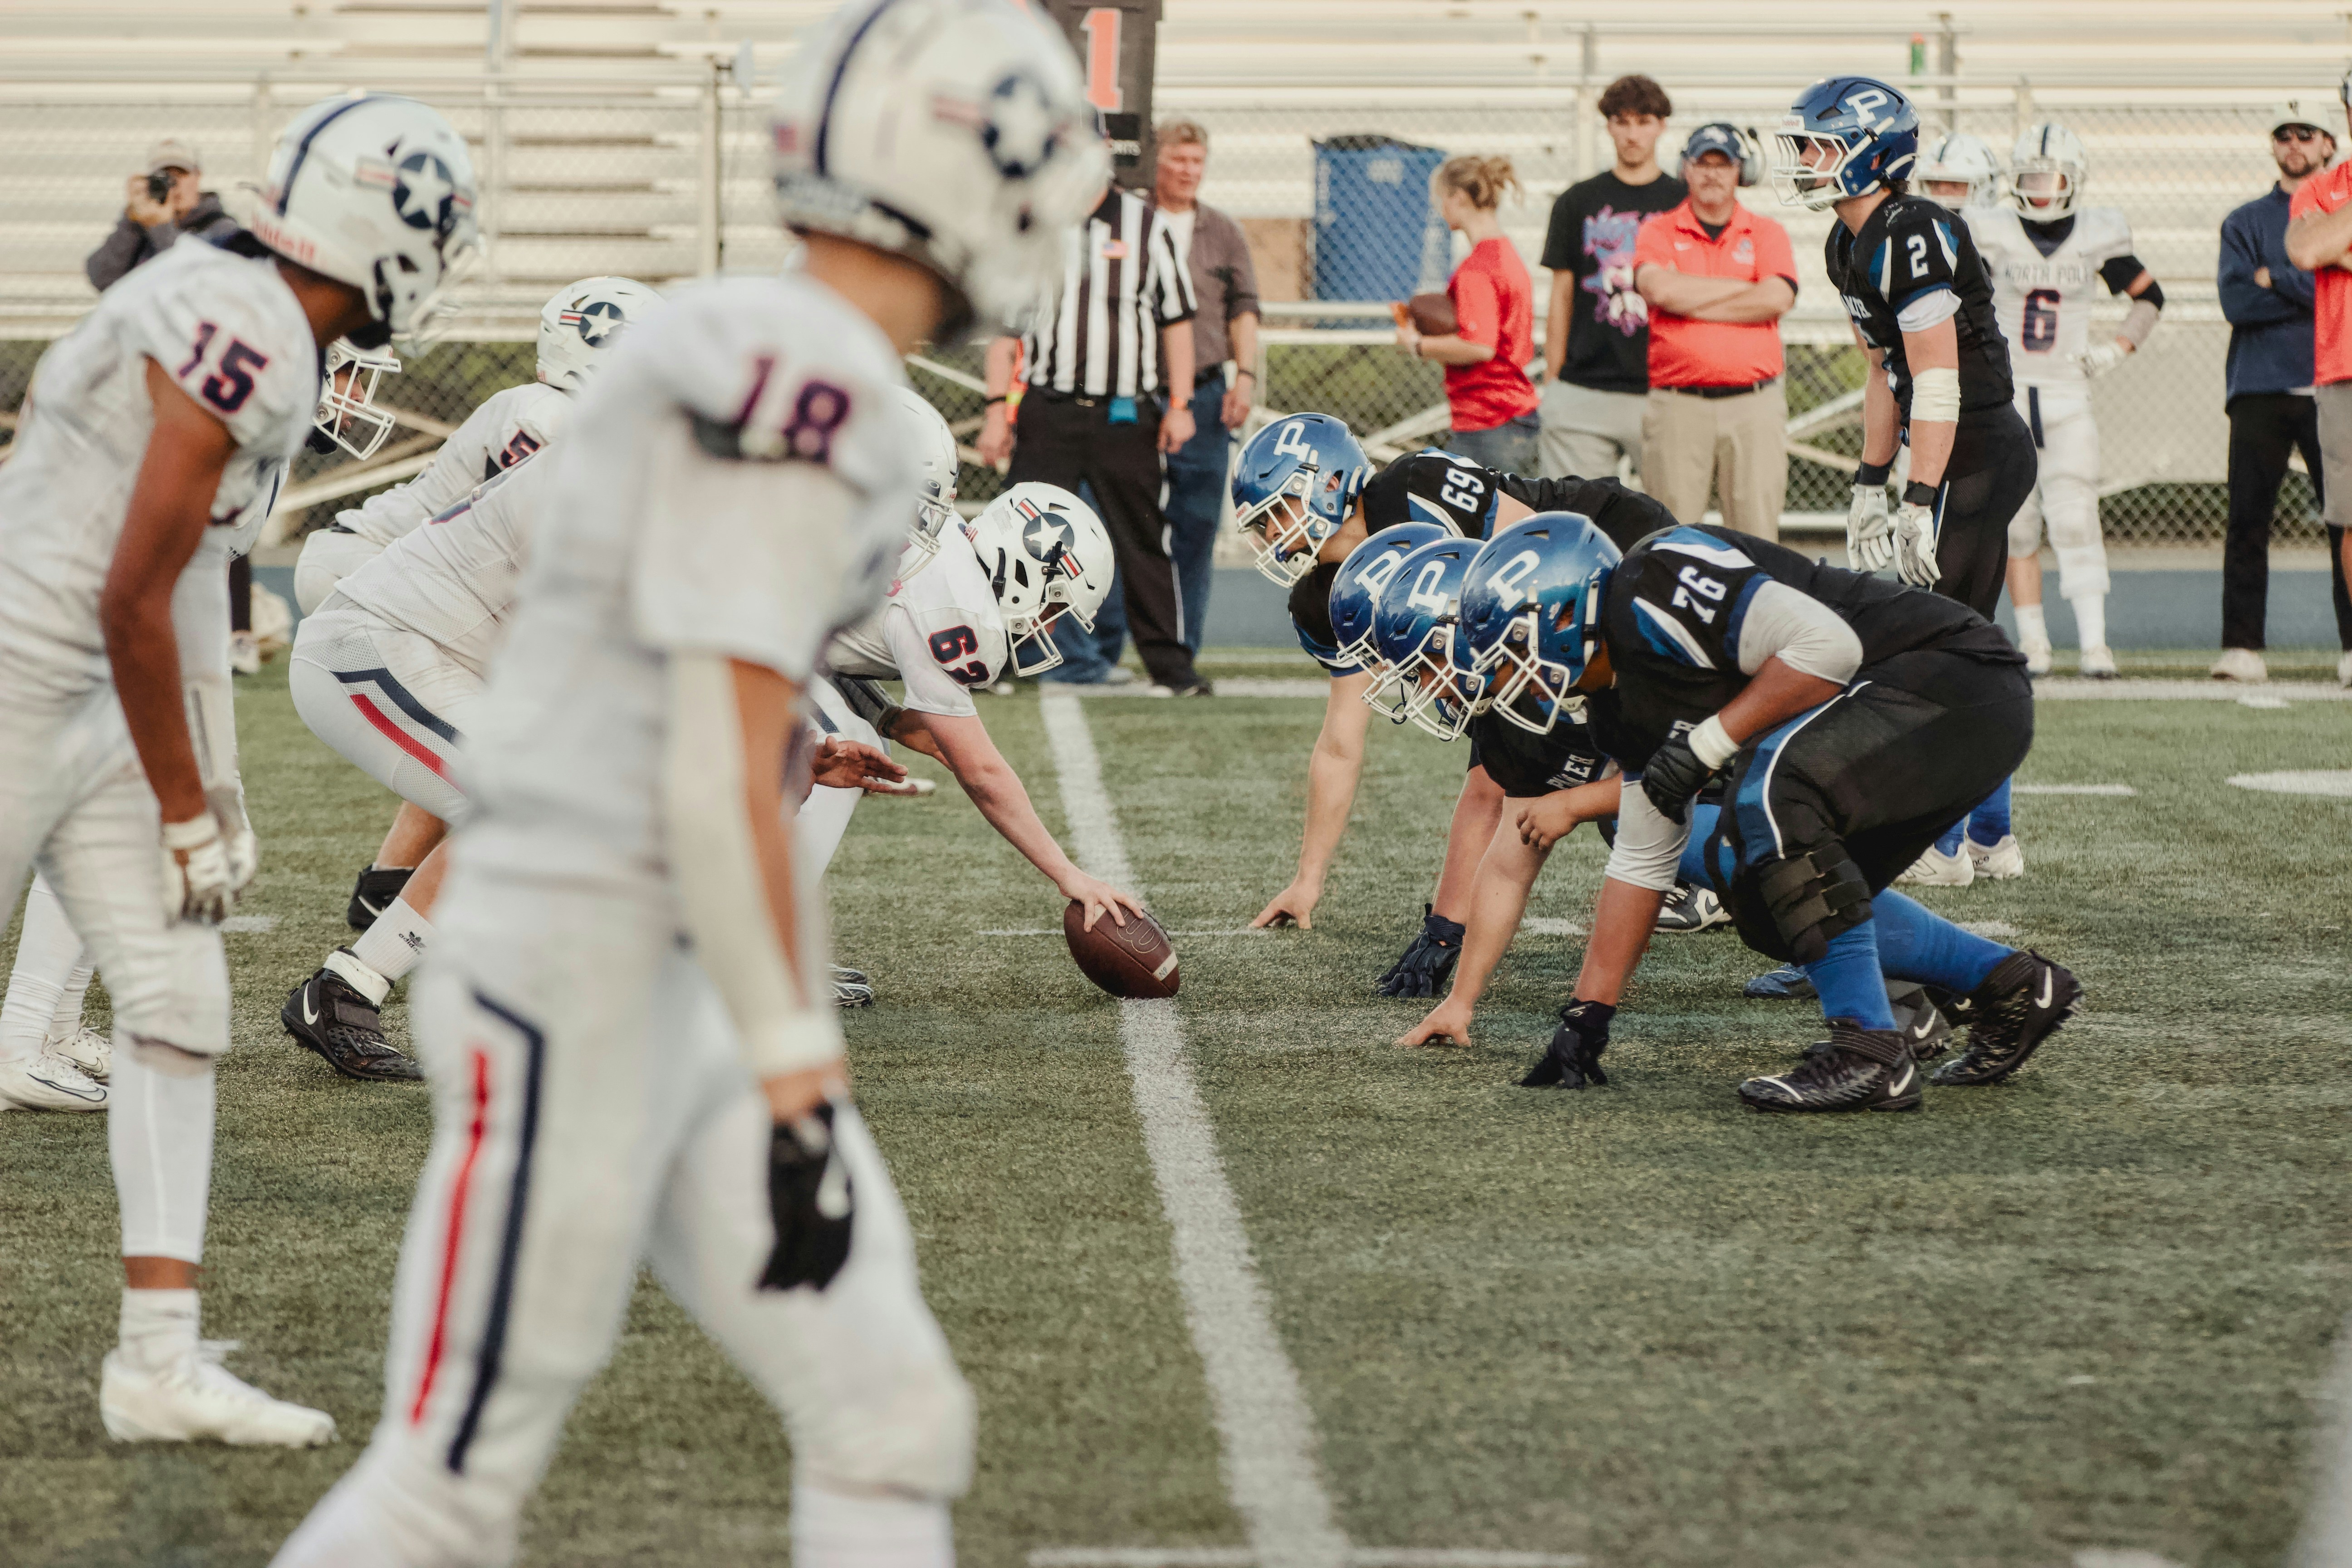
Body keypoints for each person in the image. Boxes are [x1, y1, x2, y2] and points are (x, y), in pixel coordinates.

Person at [266, 5, 1103, 1563]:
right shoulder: (828, 402)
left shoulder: (737, 338)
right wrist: (799, 1079)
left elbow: (682, 649)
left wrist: (786, 730)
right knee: (449, 1479)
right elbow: (708, 745)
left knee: (891, 1410)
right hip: (575, 965)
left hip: (644, 945)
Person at [0, 89, 476, 1444]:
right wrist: (177, 803)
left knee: (179, 997)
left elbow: (196, 578)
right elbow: (133, 592)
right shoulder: (248, 331)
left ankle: (156, 1363)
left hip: (79, 680)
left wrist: (216, 781)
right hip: (22, 670)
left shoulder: (262, 317)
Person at [1455, 515, 2080, 1113]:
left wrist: (1707, 744)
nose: (1506, 674)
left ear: (1564, 612)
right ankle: (2009, 983)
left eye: (1509, 650)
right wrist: (1587, 1018)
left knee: (1771, 796)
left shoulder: (1656, 579)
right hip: (1911, 718)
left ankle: (1871, 1053)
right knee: (1760, 893)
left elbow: (1827, 645)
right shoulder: (1616, 708)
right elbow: (1644, 859)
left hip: (1955, 679)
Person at [1230, 414, 1711, 985]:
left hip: (1598, 558)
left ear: (1329, 482)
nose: (1268, 535)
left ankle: (1721, 850)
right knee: (1545, 761)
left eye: (1276, 511)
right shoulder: (1323, 601)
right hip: (1514, 638)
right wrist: (1309, 878)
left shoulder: (1416, 487)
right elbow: (1340, 742)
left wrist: (1446, 927)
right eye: (1261, 522)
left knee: (1634, 759)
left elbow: (1542, 562)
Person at [291, 274, 661, 961]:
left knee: (475, 728)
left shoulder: (559, 416)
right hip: (369, 569)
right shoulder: (543, 415)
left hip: (389, 569)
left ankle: (390, 883)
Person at [828, 480, 1147, 941]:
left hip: (744, 617)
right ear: (1029, 571)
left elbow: (826, 645)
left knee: (849, 743)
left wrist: (887, 719)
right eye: (1056, 605)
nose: (1050, 626)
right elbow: (983, 775)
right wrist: (1068, 874)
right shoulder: (962, 611)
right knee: (825, 770)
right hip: (727, 641)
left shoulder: (950, 539)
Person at [977, 157, 1205, 696]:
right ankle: (990, 660)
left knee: (1143, 538)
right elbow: (1006, 330)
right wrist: (995, 413)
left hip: (1125, 413)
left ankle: (1170, 669)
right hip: (1048, 407)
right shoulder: (1035, 223)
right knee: (1015, 537)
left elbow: (1177, 320)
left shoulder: (1146, 225)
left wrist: (1180, 402)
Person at [1965, 123, 2167, 684]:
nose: (2040, 189)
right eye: (2029, 177)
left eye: (2049, 177)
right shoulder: (1992, 231)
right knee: (2018, 527)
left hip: (2066, 394)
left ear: (2073, 180)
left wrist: (2117, 348)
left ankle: (2095, 644)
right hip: (2007, 398)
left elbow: (2151, 297)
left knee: (2077, 519)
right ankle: (2034, 642)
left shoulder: (2099, 233)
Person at [2232, 99, 2352, 687]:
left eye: (2307, 134)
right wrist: (2312, 272)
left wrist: (2277, 277)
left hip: (2326, 371)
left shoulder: (2326, 199)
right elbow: (2241, 297)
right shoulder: (2248, 218)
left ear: (2327, 140)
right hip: (2267, 380)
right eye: (2285, 135)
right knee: (2254, 520)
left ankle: (2350, 645)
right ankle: (2241, 646)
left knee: (2342, 523)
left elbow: (2293, 276)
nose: (2295, 145)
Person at [1630, 123, 1798, 540]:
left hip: (1754, 405)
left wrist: (1690, 296)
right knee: (1671, 538)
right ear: (1684, 169)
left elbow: (1777, 298)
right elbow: (1658, 289)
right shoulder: (1658, 230)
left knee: (1757, 539)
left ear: (1743, 171)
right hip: (1679, 405)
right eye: (1701, 163)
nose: (1712, 174)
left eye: (1723, 165)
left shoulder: (1766, 232)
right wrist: (1745, 291)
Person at [1538, 74, 1686, 482]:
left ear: (1662, 125)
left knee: (1671, 519)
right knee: (1577, 517)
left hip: (1664, 388)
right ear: (1608, 126)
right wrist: (1554, 381)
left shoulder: (1683, 202)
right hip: (1586, 387)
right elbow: (1563, 294)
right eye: (1622, 122)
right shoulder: (1577, 201)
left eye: (1644, 122)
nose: (1633, 134)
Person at [1152, 119, 1261, 656]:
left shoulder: (1222, 231)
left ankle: (1183, 644)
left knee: (1197, 524)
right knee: (1127, 523)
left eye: (1197, 161)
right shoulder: (1134, 221)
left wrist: (1245, 376)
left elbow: (1244, 310)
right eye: (1179, 160)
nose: (1189, 171)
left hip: (1206, 388)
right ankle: (1104, 646)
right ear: (1157, 160)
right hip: (1137, 391)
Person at [1395, 155, 1540, 474]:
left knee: (1479, 520)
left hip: (1488, 418)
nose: (1439, 208)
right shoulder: (1506, 254)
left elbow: (1479, 346)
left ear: (1457, 198)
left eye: (1440, 199)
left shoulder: (1478, 267)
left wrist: (1418, 344)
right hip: (1516, 414)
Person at [2286, 71, 2352, 692]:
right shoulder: (2322, 187)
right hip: (2344, 367)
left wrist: (2339, 241)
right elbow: (2306, 253)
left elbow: (2326, 246)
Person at [84, 139, 240, 295]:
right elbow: (101, 278)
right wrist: (131, 221)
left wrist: (162, 228)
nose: (174, 183)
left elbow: (201, 285)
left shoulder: (221, 229)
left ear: (198, 176)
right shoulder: (143, 225)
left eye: (182, 174)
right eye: (165, 176)